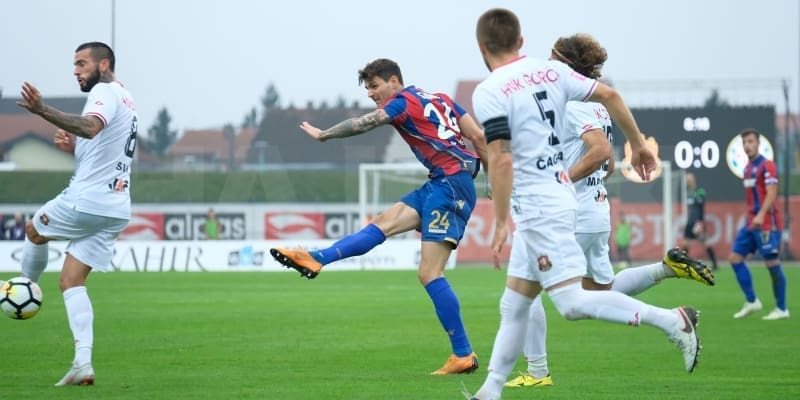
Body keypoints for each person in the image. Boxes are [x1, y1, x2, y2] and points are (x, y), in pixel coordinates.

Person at [466, 10, 702, 400]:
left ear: (481, 47)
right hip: (560, 200)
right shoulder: (551, 72)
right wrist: (639, 145)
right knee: (515, 303)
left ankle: (672, 321)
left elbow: (502, 158)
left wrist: (501, 220)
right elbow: (610, 95)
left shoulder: (490, 90)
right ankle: (489, 392)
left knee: (572, 303)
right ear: (521, 42)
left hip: (538, 208)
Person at [269, 58, 489, 374]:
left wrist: (324, 135)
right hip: (441, 182)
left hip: (451, 185)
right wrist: (491, 178)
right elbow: (478, 137)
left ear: (394, 81)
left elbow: (364, 123)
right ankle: (316, 258)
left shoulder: (401, 103)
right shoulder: (442, 99)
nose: (371, 94)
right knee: (381, 225)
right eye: (368, 89)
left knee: (430, 273)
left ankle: (463, 354)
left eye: (374, 86)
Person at [16, 41, 137, 386]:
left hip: (88, 201)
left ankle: (23, 291)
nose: (76, 71)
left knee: (34, 230)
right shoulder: (126, 97)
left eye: (82, 63)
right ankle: (83, 363)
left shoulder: (103, 92)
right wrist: (75, 147)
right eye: (75, 65)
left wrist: (42, 110)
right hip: (116, 207)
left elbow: (91, 127)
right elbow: (104, 147)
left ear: (104, 65)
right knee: (71, 281)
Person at [729, 128, 789, 320]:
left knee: (772, 263)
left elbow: (772, 192)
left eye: (750, 141)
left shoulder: (767, 165)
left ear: (758, 143)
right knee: (735, 258)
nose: (747, 145)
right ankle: (752, 301)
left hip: (767, 223)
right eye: (744, 142)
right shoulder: (747, 168)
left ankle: (782, 309)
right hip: (751, 222)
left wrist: (762, 214)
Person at [678, 172, 719, 270]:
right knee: (685, 243)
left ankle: (715, 264)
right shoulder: (686, 193)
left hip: (697, 222)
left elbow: (700, 205)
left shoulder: (699, 191)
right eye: (686, 180)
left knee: (705, 243)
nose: (688, 181)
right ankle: (684, 264)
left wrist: (699, 222)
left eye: (689, 179)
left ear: (693, 180)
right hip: (689, 222)